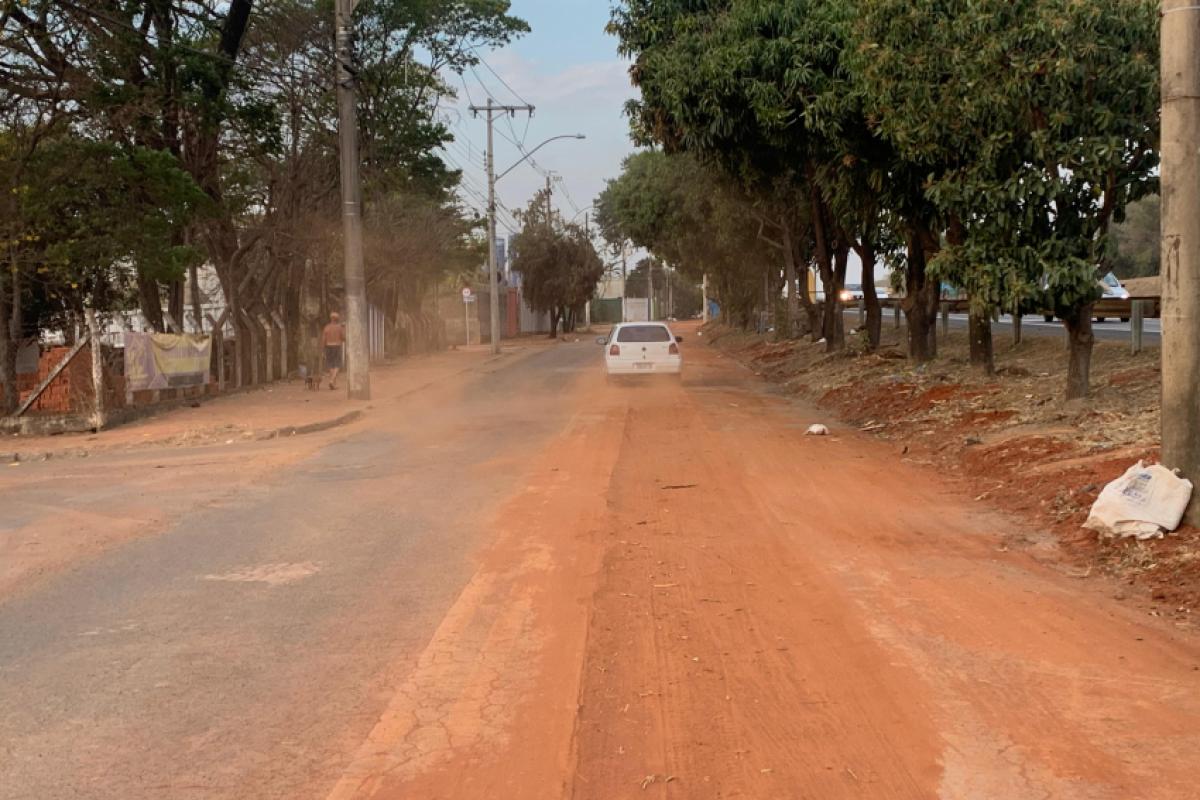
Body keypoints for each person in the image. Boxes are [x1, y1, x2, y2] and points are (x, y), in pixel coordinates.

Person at [321, 312, 346, 390]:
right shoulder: (339, 327)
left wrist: (323, 349)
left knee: (331, 365)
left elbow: (323, 340)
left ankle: (334, 384)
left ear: (331, 319)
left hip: (328, 346)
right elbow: (343, 338)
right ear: (337, 319)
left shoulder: (326, 327)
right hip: (337, 346)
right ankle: (332, 381)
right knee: (337, 365)